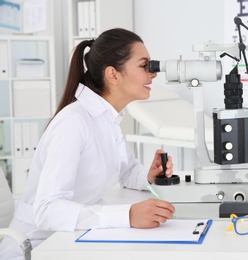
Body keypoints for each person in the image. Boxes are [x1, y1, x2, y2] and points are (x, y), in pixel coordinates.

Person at [0, 28, 175, 259]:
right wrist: (127, 215)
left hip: (71, 237)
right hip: (38, 246)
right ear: (113, 75)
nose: (153, 74)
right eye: (145, 66)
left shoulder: (108, 118)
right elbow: (47, 210)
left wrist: (149, 175)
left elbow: (127, 171)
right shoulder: (73, 122)